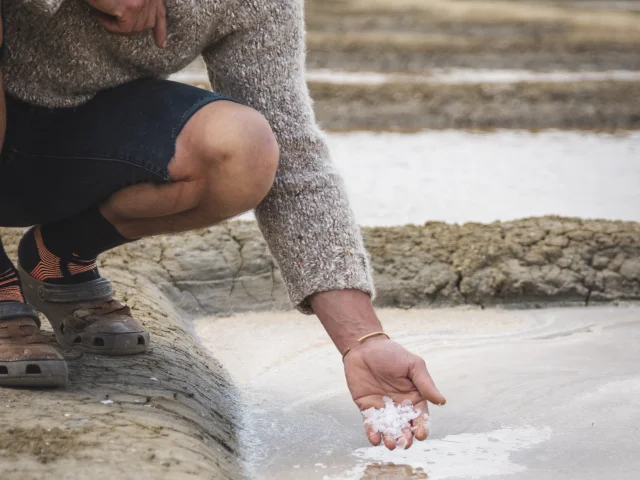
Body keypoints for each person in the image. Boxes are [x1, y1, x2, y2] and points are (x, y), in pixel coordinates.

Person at [0, 0, 445, 450]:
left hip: (66, 147)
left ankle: (59, 257)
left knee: (244, 147)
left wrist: (362, 339)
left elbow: (295, 161)